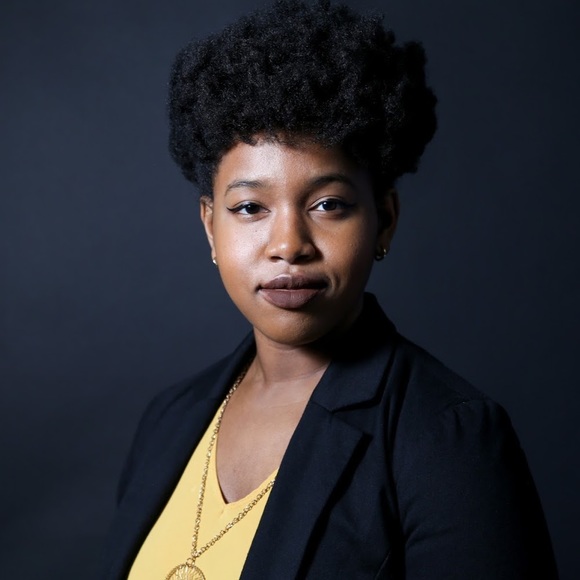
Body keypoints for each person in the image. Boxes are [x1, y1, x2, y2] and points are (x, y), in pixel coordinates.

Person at [98, 0, 558, 578]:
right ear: (211, 226)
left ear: (384, 220)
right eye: (250, 207)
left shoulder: (447, 440)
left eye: (328, 204)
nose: (288, 244)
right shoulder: (169, 420)